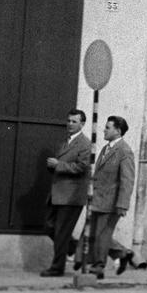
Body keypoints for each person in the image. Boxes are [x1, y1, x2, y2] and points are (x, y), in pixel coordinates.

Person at [39, 109, 94, 277]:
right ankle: (73, 248)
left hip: (71, 195)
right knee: (49, 227)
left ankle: (57, 268)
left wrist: (58, 165)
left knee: (61, 232)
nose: (70, 124)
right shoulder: (65, 142)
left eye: (74, 121)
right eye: (69, 120)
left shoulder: (85, 144)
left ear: (82, 124)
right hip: (58, 192)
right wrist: (53, 167)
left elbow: (83, 167)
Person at [84, 115, 137, 279]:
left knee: (102, 234)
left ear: (118, 131)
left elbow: (127, 180)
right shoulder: (106, 148)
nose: (104, 130)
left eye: (108, 127)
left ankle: (99, 266)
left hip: (112, 202)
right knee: (96, 233)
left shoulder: (124, 151)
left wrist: (122, 204)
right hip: (98, 199)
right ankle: (123, 254)